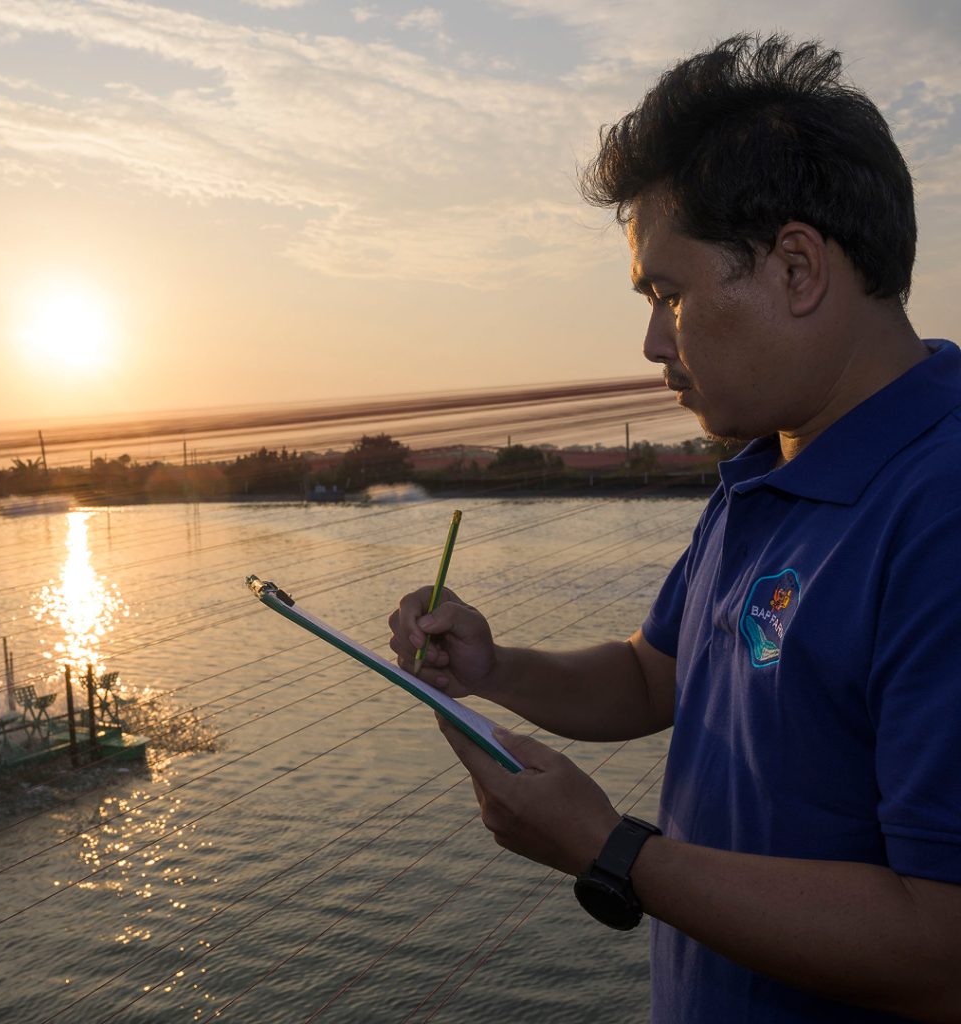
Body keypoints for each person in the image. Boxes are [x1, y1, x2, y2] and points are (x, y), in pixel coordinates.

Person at [387, 33, 961, 1024]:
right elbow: (655, 674)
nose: (653, 341)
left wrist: (611, 849)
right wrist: (494, 667)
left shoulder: (941, 512)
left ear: (796, 268)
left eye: (669, 294)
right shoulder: (762, 473)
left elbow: (941, 950)